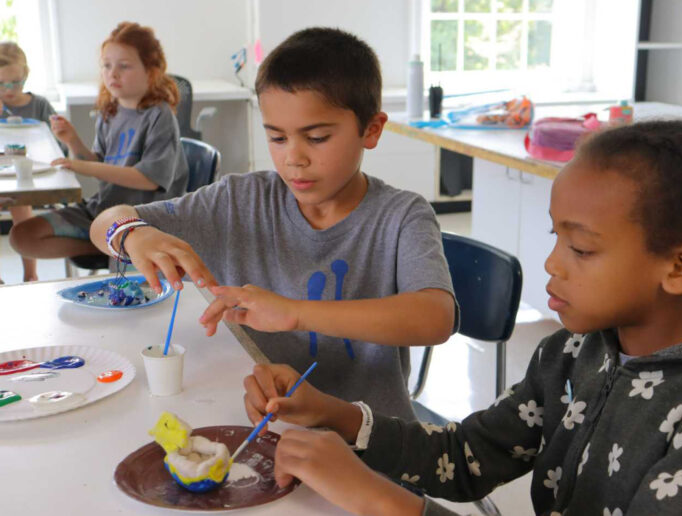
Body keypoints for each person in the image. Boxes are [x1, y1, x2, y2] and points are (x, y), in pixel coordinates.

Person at [242, 120, 682, 515]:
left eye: (582, 249)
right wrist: (334, 413)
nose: (551, 263)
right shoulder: (570, 353)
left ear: (680, 267)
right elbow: (466, 456)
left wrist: (380, 501)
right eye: (555, 238)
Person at [89, 27, 456, 421]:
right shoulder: (239, 201)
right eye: (277, 138)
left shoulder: (402, 216)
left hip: (366, 440)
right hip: (261, 428)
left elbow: (434, 317)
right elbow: (105, 222)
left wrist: (295, 313)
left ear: (371, 129)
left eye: (316, 138)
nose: (293, 158)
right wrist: (131, 233)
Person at [9, 22, 188, 263]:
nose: (112, 73)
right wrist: (74, 143)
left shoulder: (159, 115)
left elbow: (149, 179)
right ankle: (111, 246)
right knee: (22, 236)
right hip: (104, 211)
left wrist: (83, 167)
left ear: (151, 70)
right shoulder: (111, 112)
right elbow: (102, 166)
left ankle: (123, 247)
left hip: (142, 218)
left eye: (124, 66)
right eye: (106, 65)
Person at [0, 41, 59, 283]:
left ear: (26, 75)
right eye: (1, 84)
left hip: (30, 174)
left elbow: (57, 146)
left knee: (20, 200)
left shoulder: (39, 105)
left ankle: (30, 274)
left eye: (16, 82)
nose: (9, 89)